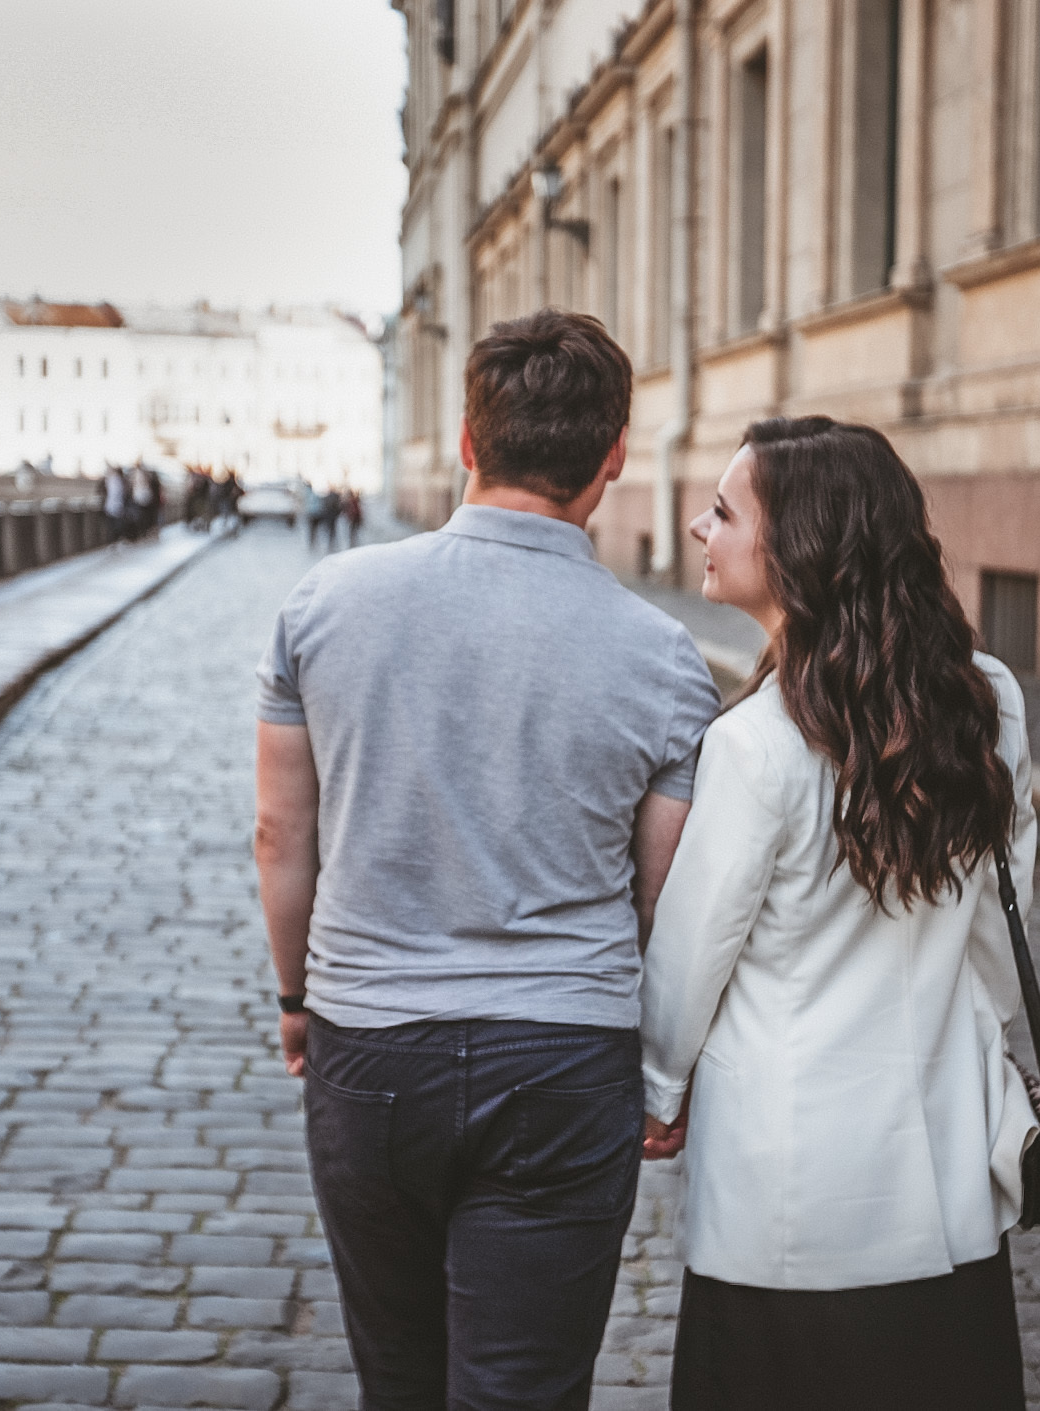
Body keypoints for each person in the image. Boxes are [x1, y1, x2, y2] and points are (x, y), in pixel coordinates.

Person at [254, 309, 721, 1410]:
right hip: (561, 1062)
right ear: (610, 461)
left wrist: (293, 996)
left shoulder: (322, 606)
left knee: (400, 1381)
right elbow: (662, 896)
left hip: (369, 1045)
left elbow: (281, 833)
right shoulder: (662, 659)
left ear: (467, 441)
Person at [638, 416, 1039, 1411]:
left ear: (800, 547)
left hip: (789, 1192)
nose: (698, 525)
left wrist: (655, 1088)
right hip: (943, 1169)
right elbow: (1001, 929)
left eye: (724, 510)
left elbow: (691, 958)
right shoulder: (984, 700)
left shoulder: (754, 744)